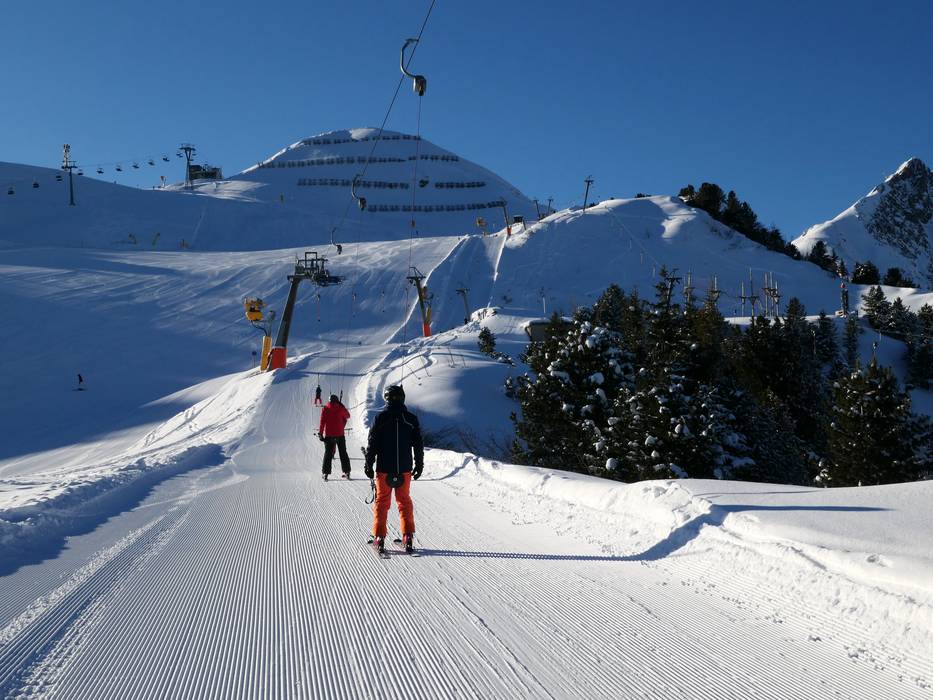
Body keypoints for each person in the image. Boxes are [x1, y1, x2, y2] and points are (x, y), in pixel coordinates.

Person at [364, 385, 424, 553]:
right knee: (404, 502)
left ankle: (379, 537)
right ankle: (407, 536)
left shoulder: (380, 418)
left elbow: (372, 444)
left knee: (382, 502)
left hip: (384, 469)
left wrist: (369, 464)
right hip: (404, 468)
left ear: (386, 399)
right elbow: (418, 444)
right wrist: (419, 464)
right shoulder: (411, 419)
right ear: (403, 398)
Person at [319, 394, 351, 480]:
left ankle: (325, 473)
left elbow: (322, 422)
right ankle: (347, 472)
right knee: (343, 453)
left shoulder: (325, 408)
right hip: (340, 435)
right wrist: (342, 406)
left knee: (328, 454)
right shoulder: (340, 408)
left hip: (329, 436)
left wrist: (320, 433)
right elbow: (348, 416)